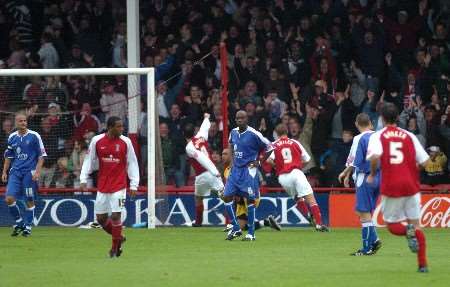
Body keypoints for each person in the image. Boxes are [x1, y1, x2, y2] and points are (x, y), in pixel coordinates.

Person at [366, 103, 430, 273]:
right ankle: (422, 265)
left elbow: (373, 157)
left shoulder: (378, 136)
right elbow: (425, 162)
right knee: (417, 226)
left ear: (381, 118)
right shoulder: (409, 136)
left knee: (392, 226)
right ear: (397, 118)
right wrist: (410, 168)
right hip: (411, 185)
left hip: (392, 185)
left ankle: (407, 230)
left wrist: (372, 173)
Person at [80, 116, 139, 258]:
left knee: (116, 215)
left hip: (119, 186)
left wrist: (134, 184)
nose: (121, 129)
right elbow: (89, 160)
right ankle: (119, 237)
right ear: (110, 127)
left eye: (122, 126)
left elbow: (132, 162)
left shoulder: (126, 142)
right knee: (101, 219)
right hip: (103, 186)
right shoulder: (97, 141)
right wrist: (83, 178)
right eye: (118, 126)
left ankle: (114, 249)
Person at [223, 110, 273, 241]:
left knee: (250, 200)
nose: (239, 120)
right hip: (236, 171)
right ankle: (236, 227)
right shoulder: (233, 132)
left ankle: (251, 234)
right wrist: (232, 161)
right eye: (237, 118)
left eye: (242, 118)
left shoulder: (254, 134)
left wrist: (260, 161)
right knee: (226, 197)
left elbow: (270, 147)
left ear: (247, 119)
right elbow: (230, 144)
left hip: (248, 171)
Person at [271, 124, 328, 232]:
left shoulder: (274, 145)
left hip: (283, 177)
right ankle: (319, 224)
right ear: (286, 131)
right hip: (296, 172)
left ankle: (307, 214)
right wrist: (296, 164)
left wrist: (279, 165)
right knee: (311, 199)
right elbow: (307, 159)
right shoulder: (295, 142)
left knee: (297, 197)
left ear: (276, 134)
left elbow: (269, 160)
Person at [338, 113, 382, 256]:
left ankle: (366, 248)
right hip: (379, 177)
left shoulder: (359, 138)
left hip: (365, 176)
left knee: (363, 213)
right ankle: (374, 240)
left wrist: (346, 173)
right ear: (370, 122)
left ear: (357, 124)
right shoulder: (379, 136)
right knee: (363, 212)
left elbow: (354, 160)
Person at [2, 112, 46, 237]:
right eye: (21, 121)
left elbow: (41, 155)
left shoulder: (34, 136)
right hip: (15, 172)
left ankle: (27, 227)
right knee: (9, 199)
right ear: (16, 122)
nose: (23, 123)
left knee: (29, 201)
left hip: (29, 172)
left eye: (25, 121)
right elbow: (8, 156)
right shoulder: (12, 137)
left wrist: (37, 171)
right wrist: (4, 171)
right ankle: (20, 222)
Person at [184, 113, 224, 227]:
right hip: (211, 174)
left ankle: (198, 222)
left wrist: (214, 171)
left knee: (198, 198)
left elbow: (201, 158)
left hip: (203, 175)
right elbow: (205, 127)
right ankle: (237, 220)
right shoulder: (200, 137)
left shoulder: (189, 147)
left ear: (183, 135)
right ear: (194, 132)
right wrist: (206, 117)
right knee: (225, 196)